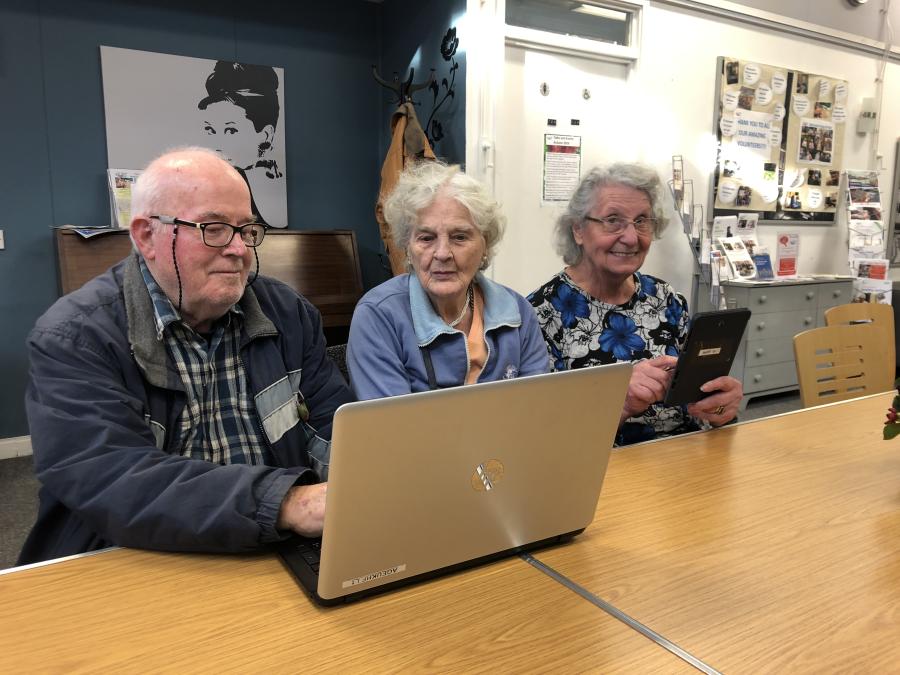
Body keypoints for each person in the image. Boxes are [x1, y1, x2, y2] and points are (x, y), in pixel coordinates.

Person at [18, 147, 352, 565]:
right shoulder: (74, 337)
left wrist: (368, 484)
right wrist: (288, 504)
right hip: (132, 559)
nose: (239, 249)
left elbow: (335, 427)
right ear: (145, 236)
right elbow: (113, 480)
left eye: (247, 229)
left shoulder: (289, 313)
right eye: (213, 228)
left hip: (271, 551)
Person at [528, 163, 743, 446]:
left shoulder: (666, 299)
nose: (631, 237)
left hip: (683, 459)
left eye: (642, 221)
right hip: (603, 470)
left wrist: (718, 407)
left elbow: (698, 405)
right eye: (613, 220)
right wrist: (619, 404)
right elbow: (541, 435)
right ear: (578, 229)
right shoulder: (541, 313)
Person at [347, 161, 549, 398]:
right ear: (407, 246)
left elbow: (536, 411)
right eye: (426, 238)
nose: (442, 253)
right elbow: (393, 428)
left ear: (485, 244)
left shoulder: (518, 312)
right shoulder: (378, 315)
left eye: (459, 237)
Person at [198, 61, 285, 227]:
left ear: (265, 135)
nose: (216, 144)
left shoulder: (266, 195)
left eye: (231, 131)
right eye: (210, 130)